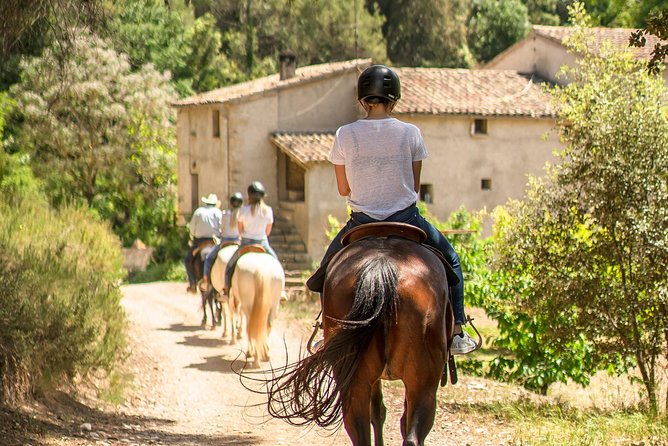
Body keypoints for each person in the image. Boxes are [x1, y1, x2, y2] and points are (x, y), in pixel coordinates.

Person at [315, 64, 477, 355]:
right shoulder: (411, 133)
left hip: (361, 223)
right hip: (406, 219)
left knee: (325, 273)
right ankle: (457, 331)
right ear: (395, 99)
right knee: (451, 260)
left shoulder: (344, 134)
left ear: (363, 100)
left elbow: (343, 190)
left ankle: (324, 330)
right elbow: (414, 186)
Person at [220, 181, 279, 295]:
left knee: (230, 265)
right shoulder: (268, 210)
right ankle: (281, 291)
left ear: (249, 196)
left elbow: (240, 231)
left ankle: (226, 288)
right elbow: (267, 231)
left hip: (246, 243)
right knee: (276, 264)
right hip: (262, 243)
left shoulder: (243, 210)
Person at [199, 192, 244, 292]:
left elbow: (221, 229)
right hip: (238, 242)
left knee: (208, 258)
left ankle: (206, 282)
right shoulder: (243, 215)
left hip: (225, 242)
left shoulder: (225, 214)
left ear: (231, 203)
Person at [184, 193, 222, 294]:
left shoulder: (198, 212)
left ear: (206, 203)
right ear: (214, 204)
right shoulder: (218, 212)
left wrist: (194, 235)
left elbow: (192, 229)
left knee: (188, 260)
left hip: (199, 242)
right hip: (215, 241)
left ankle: (192, 283)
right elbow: (222, 228)